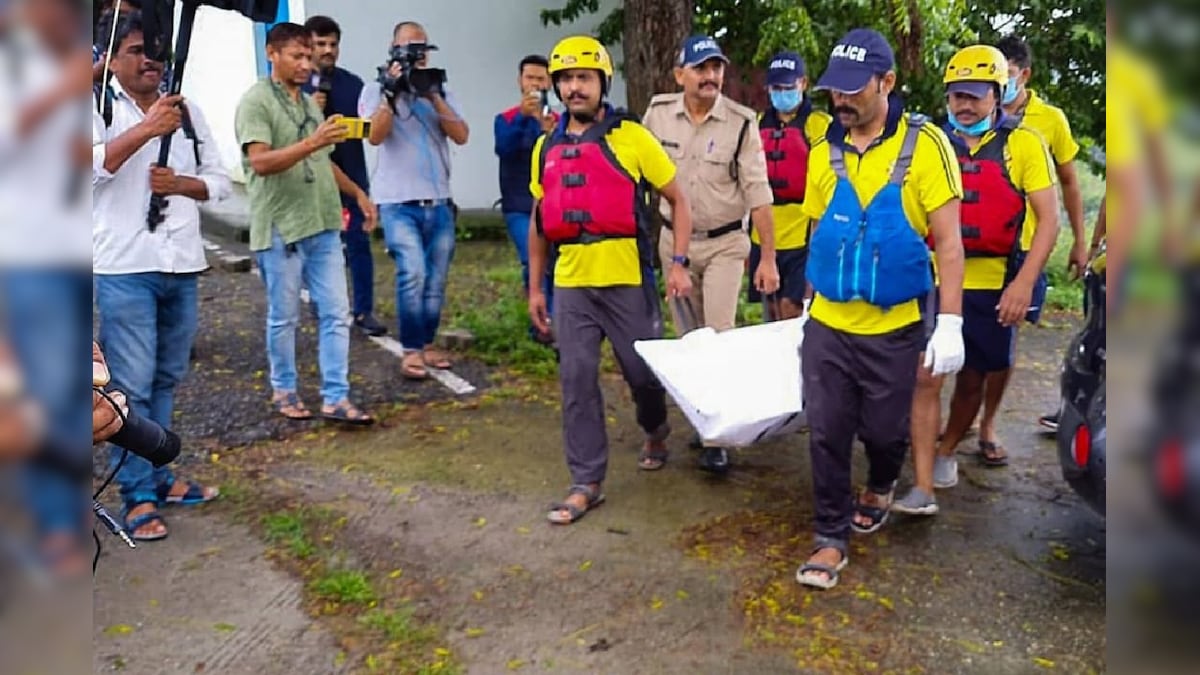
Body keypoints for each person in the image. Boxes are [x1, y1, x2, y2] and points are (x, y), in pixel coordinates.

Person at [794, 29, 965, 590]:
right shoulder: (824, 151)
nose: (840, 101)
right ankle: (829, 538)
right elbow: (820, 227)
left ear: (887, 82)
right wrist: (808, 299)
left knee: (885, 433)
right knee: (826, 430)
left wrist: (950, 321)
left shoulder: (927, 147)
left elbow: (949, 241)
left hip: (894, 328)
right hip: (831, 327)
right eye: (833, 91)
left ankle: (884, 480)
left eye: (853, 89)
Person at [528, 35, 693, 524]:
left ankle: (656, 427)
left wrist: (678, 262)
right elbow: (541, 218)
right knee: (576, 378)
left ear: (603, 82)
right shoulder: (546, 147)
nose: (574, 88)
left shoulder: (632, 137)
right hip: (572, 282)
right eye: (566, 80)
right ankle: (586, 481)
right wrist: (536, 288)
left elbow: (678, 200)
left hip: (625, 278)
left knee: (642, 375)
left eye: (584, 78)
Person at [893, 46, 1060, 515]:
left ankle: (947, 448)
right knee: (926, 374)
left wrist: (1024, 283)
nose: (964, 106)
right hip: (931, 276)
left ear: (998, 93)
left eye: (974, 96)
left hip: (992, 280)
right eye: (956, 97)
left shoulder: (1024, 144)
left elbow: (1049, 221)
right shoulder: (930, 141)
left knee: (972, 378)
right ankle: (923, 482)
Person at [93, 11, 230, 540]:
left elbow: (218, 183)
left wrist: (181, 184)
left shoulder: (187, 113)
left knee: (168, 378)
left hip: (183, 262)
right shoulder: (96, 107)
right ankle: (137, 495)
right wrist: (148, 130)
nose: (150, 60)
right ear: (111, 58)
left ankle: (160, 473)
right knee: (129, 387)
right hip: (124, 266)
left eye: (157, 51)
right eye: (136, 50)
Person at [642, 35, 780, 474]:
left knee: (718, 336)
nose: (710, 76)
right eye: (700, 68)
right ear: (680, 74)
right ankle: (701, 420)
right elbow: (636, 174)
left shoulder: (740, 122)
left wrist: (769, 257)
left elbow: (758, 193)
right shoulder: (658, 115)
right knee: (689, 340)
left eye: (716, 68)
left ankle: (717, 438)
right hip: (672, 243)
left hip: (725, 243)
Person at [235, 22, 377, 425]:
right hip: (281, 226)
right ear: (271, 54)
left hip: (323, 221)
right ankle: (284, 390)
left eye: (308, 57)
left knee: (337, 312)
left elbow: (322, 160)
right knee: (284, 316)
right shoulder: (255, 101)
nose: (304, 63)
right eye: (296, 56)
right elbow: (260, 162)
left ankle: (336, 396)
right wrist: (313, 142)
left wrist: (359, 194)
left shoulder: (308, 103)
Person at [993, 36, 1090, 434]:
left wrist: (1081, 242)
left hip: (1026, 247)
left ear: (1024, 74)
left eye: (1007, 76)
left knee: (1005, 342)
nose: (1000, 85)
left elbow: (1070, 182)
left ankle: (987, 425)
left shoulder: (1050, 120)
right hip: (975, 246)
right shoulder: (974, 111)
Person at [362, 20, 469, 380]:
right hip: (397, 202)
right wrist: (391, 93)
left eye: (421, 49)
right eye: (409, 49)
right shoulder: (373, 90)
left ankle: (424, 342)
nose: (416, 56)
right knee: (414, 273)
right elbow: (374, 136)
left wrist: (433, 94)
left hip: (438, 201)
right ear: (393, 51)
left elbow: (462, 135)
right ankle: (410, 350)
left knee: (436, 280)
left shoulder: (439, 88)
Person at [301, 15, 386, 337]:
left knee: (359, 245)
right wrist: (312, 107)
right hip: (311, 183)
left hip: (351, 178)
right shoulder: (296, 86)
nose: (327, 50)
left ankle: (363, 310)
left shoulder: (353, 84)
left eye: (333, 44)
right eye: (320, 44)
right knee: (317, 247)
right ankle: (321, 304)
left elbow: (370, 129)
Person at [752, 50, 831, 320]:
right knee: (771, 309)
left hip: (803, 229)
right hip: (763, 230)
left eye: (789, 86)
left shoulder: (819, 125)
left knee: (792, 308)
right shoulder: (756, 125)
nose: (782, 93)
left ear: (803, 84)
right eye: (776, 87)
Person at [495, 54, 559, 344]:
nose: (535, 83)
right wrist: (523, 116)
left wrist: (550, 133)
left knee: (557, 263)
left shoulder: (558, 119)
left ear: (549, 82)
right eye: (530, 77)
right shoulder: (505, 118)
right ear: (519, 81)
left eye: (540, 78)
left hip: (555, 204)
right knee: (531, 259)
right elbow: (505, 149)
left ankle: (557, 323)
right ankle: (543, 326)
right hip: (519, 205)